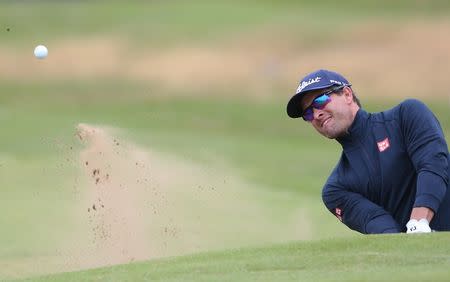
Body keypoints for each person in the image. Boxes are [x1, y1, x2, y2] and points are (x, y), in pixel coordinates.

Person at [286, 69, 450, 234]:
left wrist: (418, 222)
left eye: (320, 101)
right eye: (307, 113)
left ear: (347, 94)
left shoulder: (406, 116)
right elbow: (383, 230)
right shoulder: (336, 189)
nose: (316, 114)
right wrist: (412, 243)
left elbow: (433, 166)